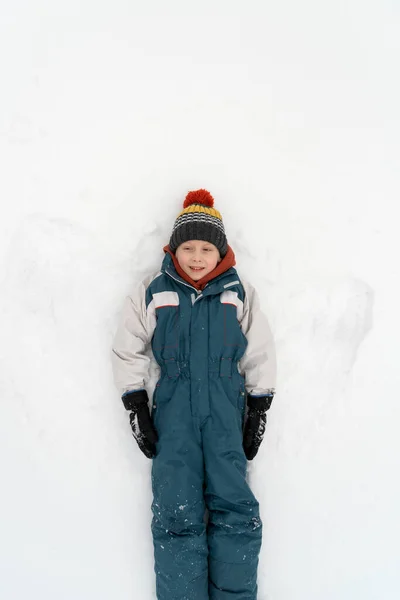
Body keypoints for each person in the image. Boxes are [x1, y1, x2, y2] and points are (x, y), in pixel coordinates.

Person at [111, 188, 277, 600]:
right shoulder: (155, 290)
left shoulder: (238, 292)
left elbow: (260, 348)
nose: (198, 257)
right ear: (174, 249)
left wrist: (259, 403)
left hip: (224, 410)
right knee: (176, 511)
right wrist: (135, 402)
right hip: (174, 414)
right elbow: (127, 344)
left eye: (207, 248)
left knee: (235, 510)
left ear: (221, 252)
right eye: (189, 247)